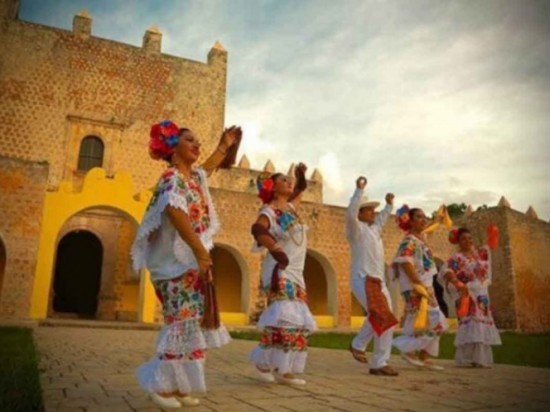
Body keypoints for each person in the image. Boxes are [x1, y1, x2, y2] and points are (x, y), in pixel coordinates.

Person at [131, 120, 240, 408]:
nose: (196, 143)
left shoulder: (193, 179)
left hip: (188, 265)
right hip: (173, 265)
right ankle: (161, 386)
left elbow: (209, 167)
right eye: (189, 139)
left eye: (197, 140)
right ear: (172, 146)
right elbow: (175, 212)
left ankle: (179, 385)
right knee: (181, 322)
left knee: (192, 324)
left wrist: (224, 146)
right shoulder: (171, 179)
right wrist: (201, 253)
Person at [249, 163, 317, 386]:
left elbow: (301, 188)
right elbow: (258, 230)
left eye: (290, 180)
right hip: (280, 270)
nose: (289, 182)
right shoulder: (269, 211)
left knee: (297, 321)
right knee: (285, 317)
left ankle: (283, 368)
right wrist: (276, 250)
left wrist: (301, 175)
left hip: (296, 272)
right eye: (283, 180)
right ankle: (266, 364)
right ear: (272, 187)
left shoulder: (290, 207)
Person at [346, 176, 398, 376]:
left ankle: (377, 360)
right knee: (379, 314)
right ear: (360, 213)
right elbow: (350, 214)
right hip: (362, 278)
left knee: (387, 317)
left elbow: (382, 218)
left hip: (379, 281)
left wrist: (389, 205)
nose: (373, 213)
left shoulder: (374, 230)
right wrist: (359, 190)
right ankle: (363, 349)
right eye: (368, 210)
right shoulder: (355, 230)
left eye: (373, 210)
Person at [391, 206, 448, 371]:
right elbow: (406, 262)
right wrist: (418, 284)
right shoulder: (409, 240)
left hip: (426, 286)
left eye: (424, 217)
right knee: (421, 319)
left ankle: (424, 356)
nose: (423, 220)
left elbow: (430, 228)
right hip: (416, 286)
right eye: (419, 217)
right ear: (410, 221)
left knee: (435, 321)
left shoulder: (421, 239)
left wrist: (438, 218)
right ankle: (408, 350)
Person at [438, 227, 502, 367]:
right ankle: (470, 358)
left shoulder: (480, 254)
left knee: (481, 322)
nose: (467, 241)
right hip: (467, 294)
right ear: (458, 242)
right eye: (463, 239)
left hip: (482, 294)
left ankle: (480, 358)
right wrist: (458, 283)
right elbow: (446, 271)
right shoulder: (457, 258)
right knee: (471, 321)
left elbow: (490, 250)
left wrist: (493, 234)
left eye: (470, 238)